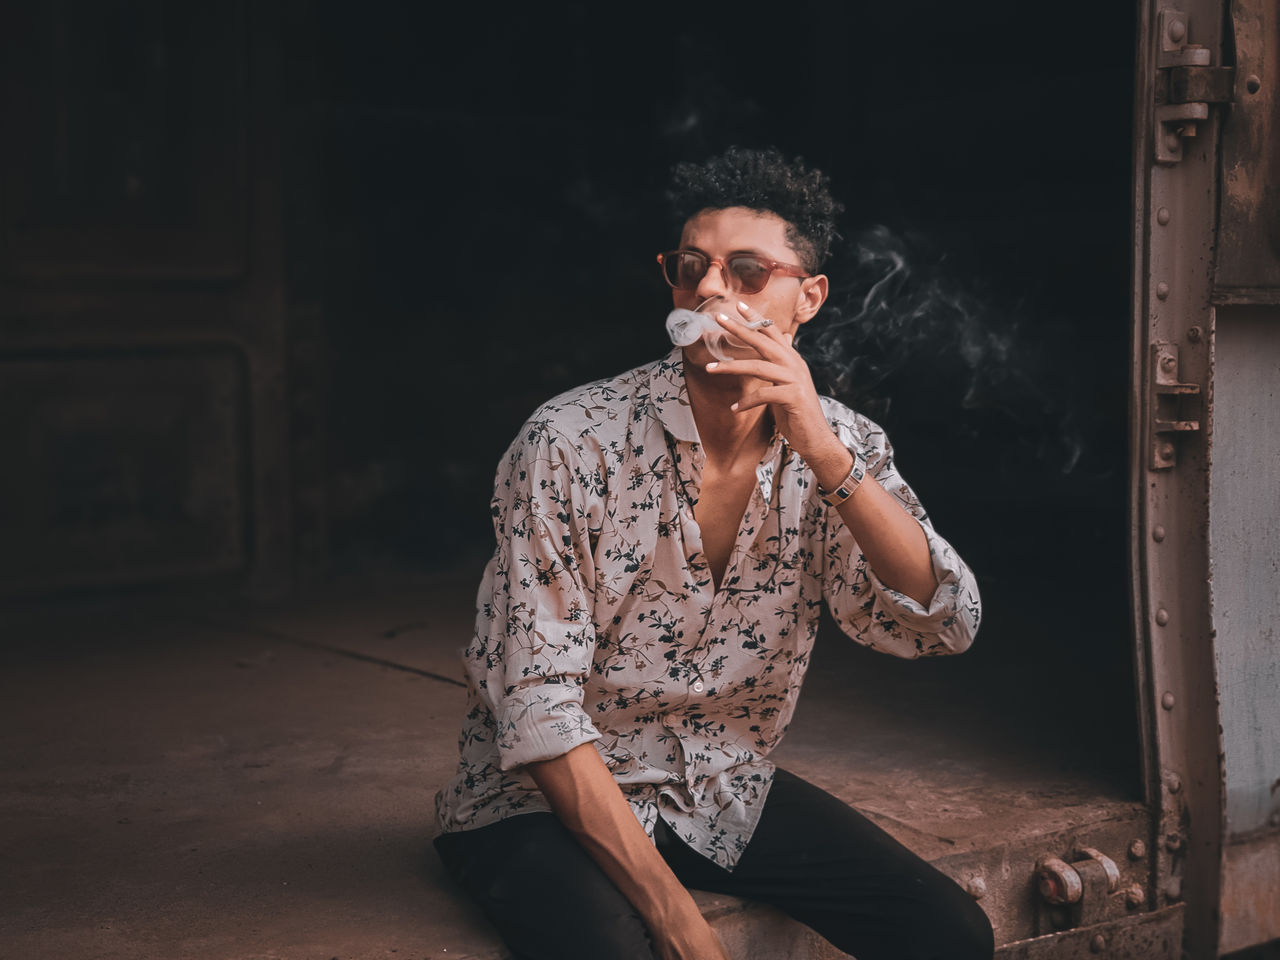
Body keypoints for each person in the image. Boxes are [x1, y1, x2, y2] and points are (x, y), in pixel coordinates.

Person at [434, 146, 993, 960]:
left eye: (745, 270)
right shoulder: (569, 442)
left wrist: (826, 454)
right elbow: (538, 706)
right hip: (535, 801)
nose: (708, 289)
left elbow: (943, 619)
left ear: (809, 298)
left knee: (949, 933)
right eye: (691, 266)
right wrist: (676, 919)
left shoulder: (841, 442)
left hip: (712, 786)